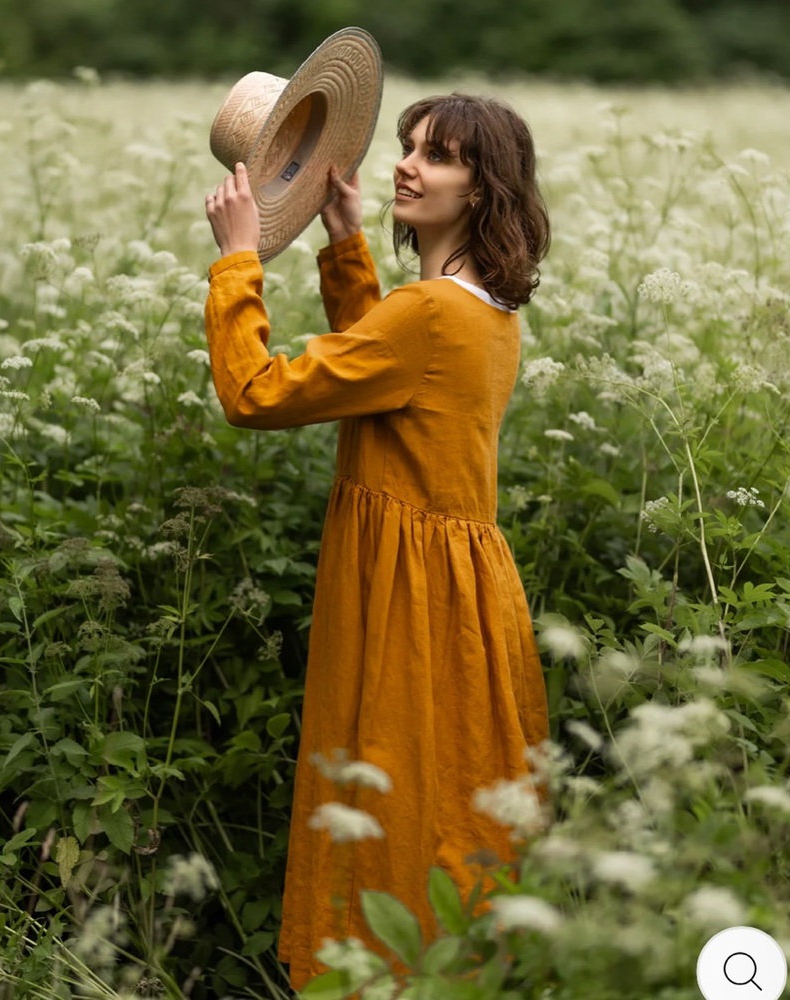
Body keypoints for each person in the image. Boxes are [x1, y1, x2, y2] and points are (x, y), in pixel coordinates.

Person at [204, 93, 551, 989]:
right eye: (409, 145)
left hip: (407, 598)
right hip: (459, 592)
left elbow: (255, 395)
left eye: (437, 155)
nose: (407, 164)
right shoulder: (485, 310)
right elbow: (386, 369)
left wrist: (237, 264)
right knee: (444, 800)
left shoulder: (427, 313)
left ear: (482, 189)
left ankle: (374, 977)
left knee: (389, 800)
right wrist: (345, 242)